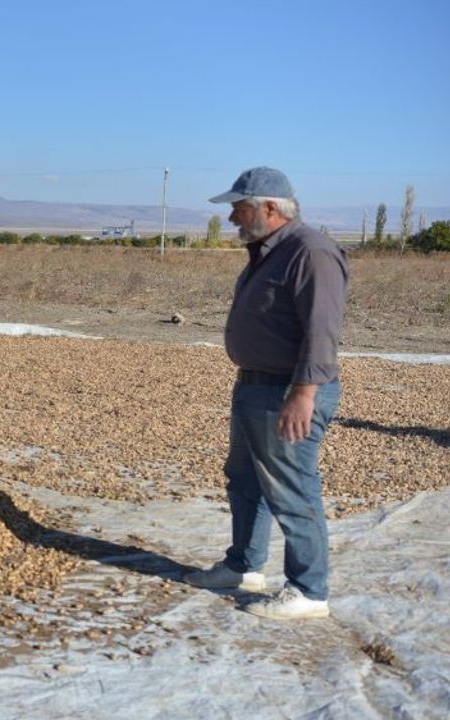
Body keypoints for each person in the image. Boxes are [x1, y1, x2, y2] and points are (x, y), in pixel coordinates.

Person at [183, 167, 349, 620]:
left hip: (287, 392)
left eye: (239, 208)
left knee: (293, 490)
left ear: (270, 208)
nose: (232, 217)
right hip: (255, 386)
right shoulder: (267, 252)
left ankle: (309, 591)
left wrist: (303, 394)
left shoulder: (311, 252)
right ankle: (244, 567)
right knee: (245, 481)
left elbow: (321, 332)